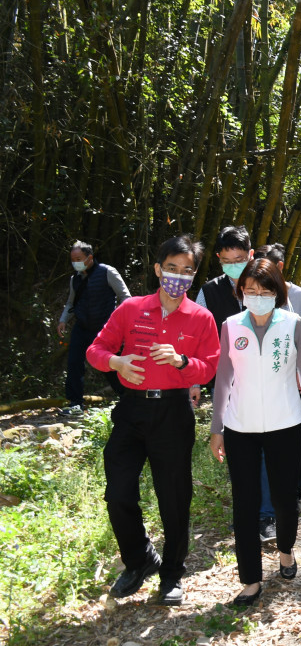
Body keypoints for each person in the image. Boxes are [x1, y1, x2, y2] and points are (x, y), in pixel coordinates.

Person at [86, 235, 220, 605]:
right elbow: (96, 349)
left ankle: (172, 574)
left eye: (186, 271)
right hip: (132, 411)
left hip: (173, 413)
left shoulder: (201, 317)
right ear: (159, 269)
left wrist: (181, 362)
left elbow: (210, 367)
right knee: (117, 491)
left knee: (174, 496)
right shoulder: (131, 309)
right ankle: (139, 559)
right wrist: (118, 362)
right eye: (171, 268)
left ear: (193, 276)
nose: (178, 277)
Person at [208, 259, 301, 607]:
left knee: (285, 500)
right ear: (240, 292)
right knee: (244, 505)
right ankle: (250, 581)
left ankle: (286, 549)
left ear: (277, 293)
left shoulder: (293, 324)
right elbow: (223, 381)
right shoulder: (231, 325)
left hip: (286, 424)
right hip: (240, 427)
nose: (257, 297)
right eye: (250, 291)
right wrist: (217, 429)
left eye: (265, 291)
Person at [253, 243, 301, 541]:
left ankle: (291, 495)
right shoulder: (249, 296)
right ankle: (268, 512)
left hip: (294, 387)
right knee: (265, 453)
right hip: (258, 388)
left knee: (293, 454)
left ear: (279, 268)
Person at [58, 240, 131, 414]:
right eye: (72, 259)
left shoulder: (107, 272)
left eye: (78, 258)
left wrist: (120, 322)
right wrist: (63, 320)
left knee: (110, 366)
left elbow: (125, 297)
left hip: (104, 329)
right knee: (74, 363)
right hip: (81, 327)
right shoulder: (74, 279)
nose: (75, 261)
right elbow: (71, 303)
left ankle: (128, 399)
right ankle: (75, 404)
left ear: (89, 257)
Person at [196, 225, 254, 325]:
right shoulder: (209, 291)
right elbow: (198, 327)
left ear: (251, 254)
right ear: (219, 257)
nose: (233, 265)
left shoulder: (267, 286)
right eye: (226, 261)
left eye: (239, 260)